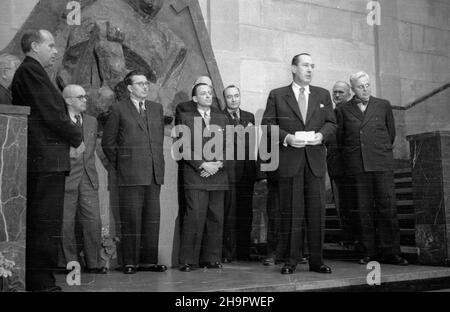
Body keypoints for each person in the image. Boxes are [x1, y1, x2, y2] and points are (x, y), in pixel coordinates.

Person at [11, 29, 84, 291]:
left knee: (47, 223)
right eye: (50, 45)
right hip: (44, 162)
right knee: (44, 223)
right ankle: (40, 282)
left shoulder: (35, 72)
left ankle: (42, 279)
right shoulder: (31, 71)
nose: (56, 50)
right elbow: (51, 112)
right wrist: (77, 137)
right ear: (34, 46)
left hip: (48, 162)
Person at [262, 53, 336, 274]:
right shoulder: (277, 95)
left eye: (312, 66)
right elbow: (268, 124)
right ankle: (290, 261)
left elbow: (332, 123)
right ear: (293, 68)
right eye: (305, 65)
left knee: (316, 212)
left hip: (314, 161)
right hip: (290, 161)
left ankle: (317, 261)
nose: (310, 69)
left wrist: (322, 136)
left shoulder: (323, 94)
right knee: (292, 212)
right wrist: (287, 138)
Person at [335, 71, 408, 266]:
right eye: (360, 86)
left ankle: (392, 252)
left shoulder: (383, 105)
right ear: (352, 89)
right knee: (363, 210)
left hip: (381, 164)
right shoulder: (342, 109)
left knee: (388, 208)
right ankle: (369, 252)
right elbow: (340, 139)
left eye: (367, 85)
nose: (365, 89)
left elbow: (390, 133)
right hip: (357, 166)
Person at [102, 70, 167, 274]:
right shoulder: (118, 109)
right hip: (129, 174)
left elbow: (157, 140)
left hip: (154, 173)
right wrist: (123, 164)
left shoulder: (156, 108)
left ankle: (149, 261)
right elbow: (108, 143)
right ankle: (129, 262)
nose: (145, 87)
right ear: (130, 88)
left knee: (152, 219)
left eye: (146, 83)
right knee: (130, 219)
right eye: (140, 84)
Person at [175, 83, 229, 272]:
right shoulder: (185, 117)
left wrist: (218, 164)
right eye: (203, 93)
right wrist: (203, 165)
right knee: (194, 217)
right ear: (195, 99)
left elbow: (230, 145)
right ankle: (188, 260)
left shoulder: (221, 118)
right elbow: (183, 146)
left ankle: (211, 258)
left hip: (218, 175)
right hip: (196, 175)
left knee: (216, 218)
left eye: (209, 93)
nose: (208, 96)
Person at [60, 85, 106, 274]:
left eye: (85, 96)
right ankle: (69, 264)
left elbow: (96, 149)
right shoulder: (60, 121)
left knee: (93, 221)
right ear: (68, 100)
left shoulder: (91, 121)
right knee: (66, 223)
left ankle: (93, 263)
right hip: (67, 178)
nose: (85, 99)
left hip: (88, 179)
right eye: (80, 97)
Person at [221, 85, 257, 262]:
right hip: (228, 173)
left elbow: (252, 145)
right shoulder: (219, 117)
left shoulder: (249, 117)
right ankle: (228, 254)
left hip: (247, 173)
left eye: (236, 96)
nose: (233, 99)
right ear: (225, 99)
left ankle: (244, 253)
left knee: (246, 214)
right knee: (229, 214)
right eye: (229, 97)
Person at [326, 81, 359, 246]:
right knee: (342, 205)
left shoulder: (349, 112)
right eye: (334, 92)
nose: (337, 95)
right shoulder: (332, 112)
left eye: (340, 92)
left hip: (349, 166)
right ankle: (349, 236)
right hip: (336, 167)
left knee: (351, 203)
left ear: (349, 94)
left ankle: (352, 236)